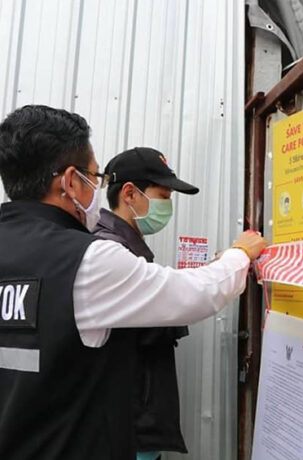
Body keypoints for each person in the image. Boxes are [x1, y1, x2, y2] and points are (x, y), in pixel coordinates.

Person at [0, 105, 267, 460]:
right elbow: (192, 294)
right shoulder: (87, 260)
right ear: (70, 182)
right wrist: (241, 253)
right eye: (94, 177)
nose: (97, 189)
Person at [93, 147, 198, 460]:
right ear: (129, 193)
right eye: (163, 195)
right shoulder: (109, 251)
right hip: (126, 428)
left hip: (134, 423)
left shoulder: (127, 248)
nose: (168, 205)